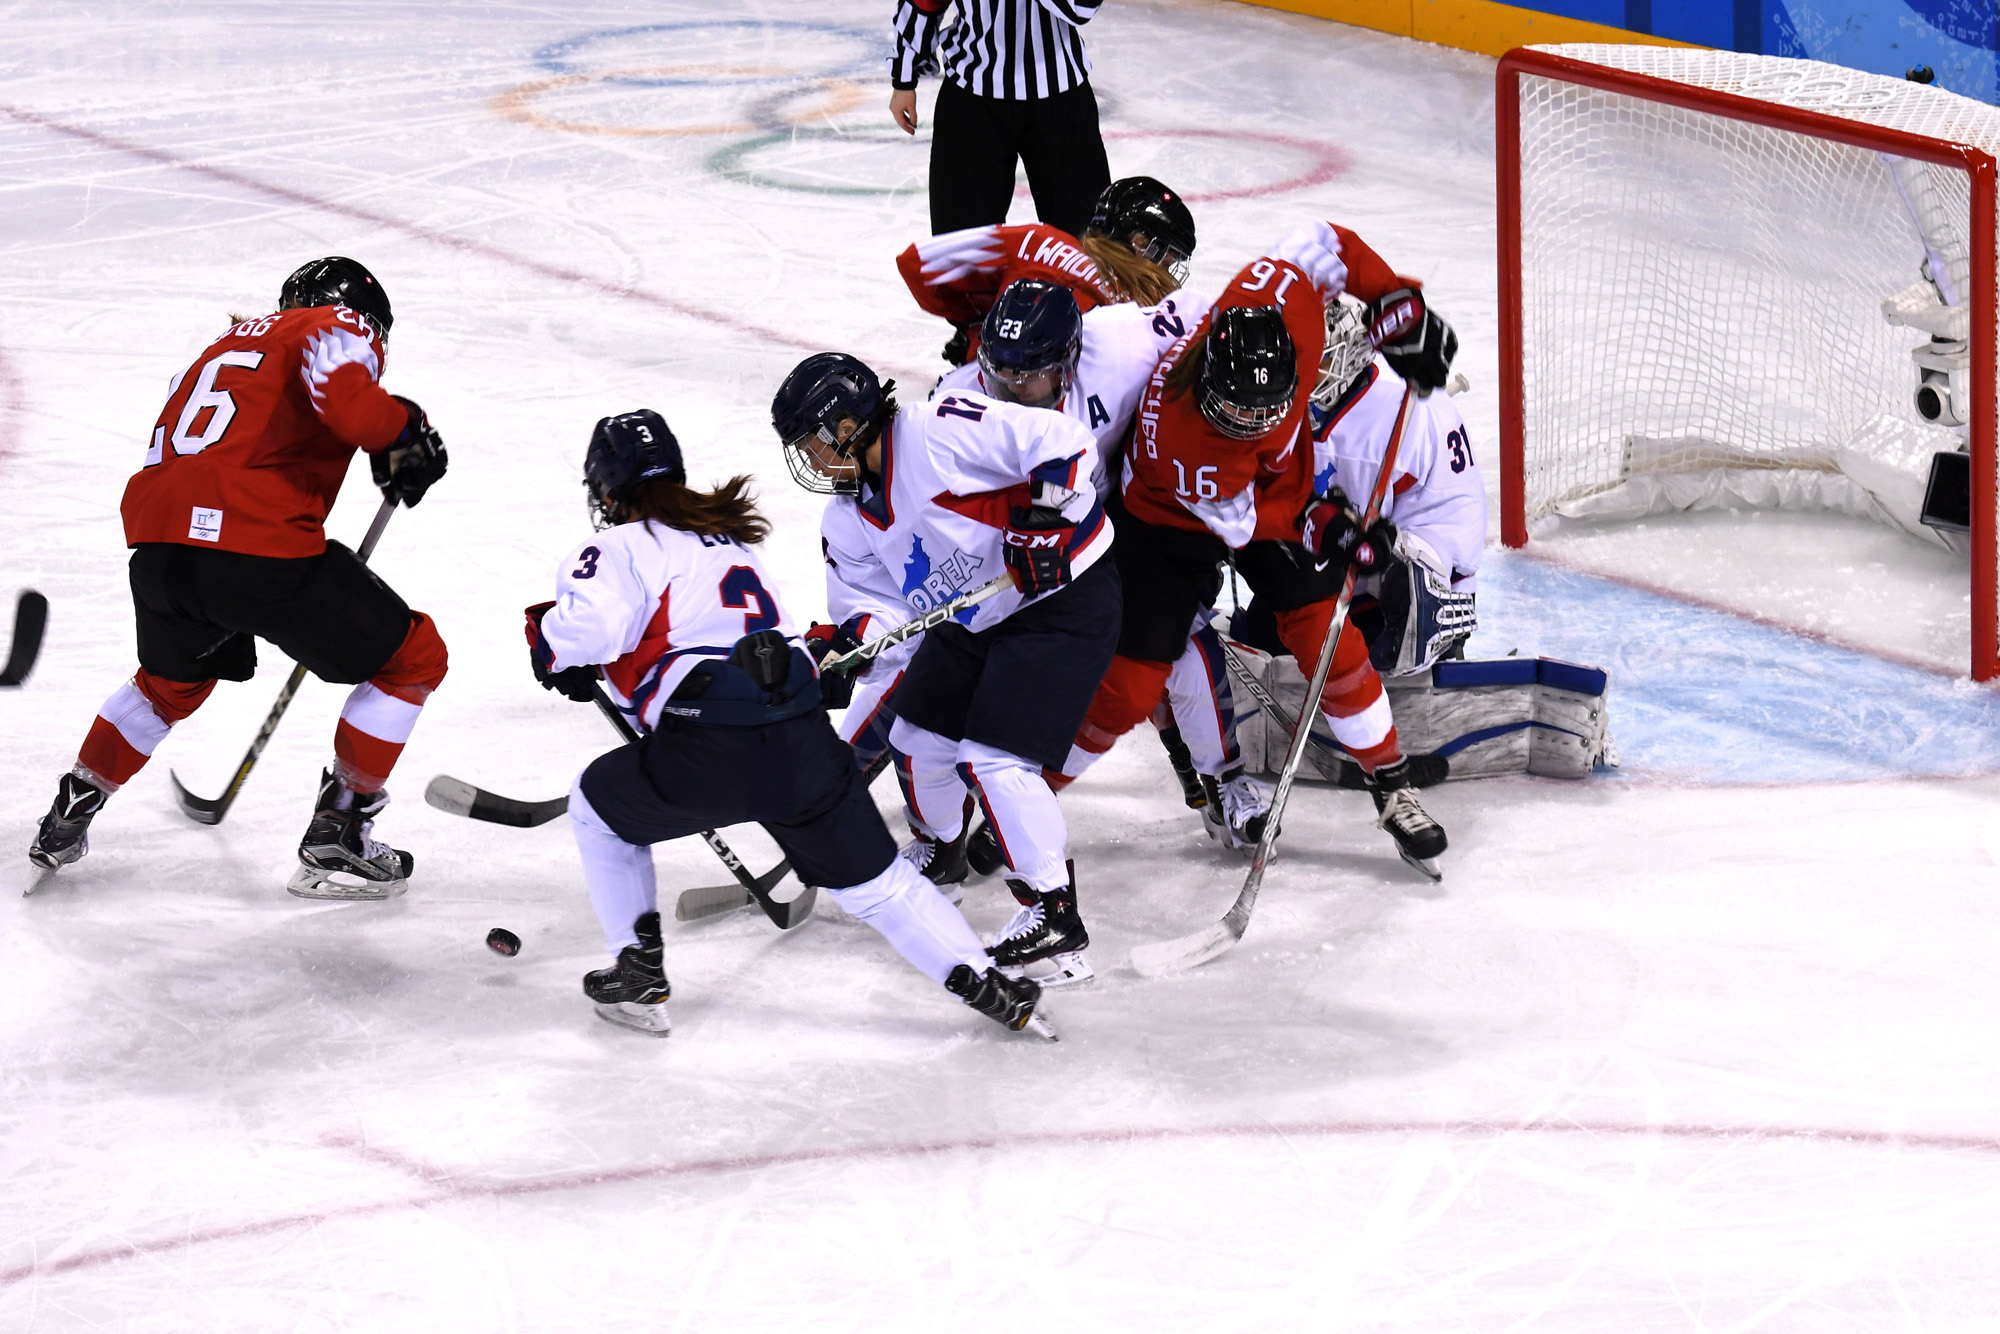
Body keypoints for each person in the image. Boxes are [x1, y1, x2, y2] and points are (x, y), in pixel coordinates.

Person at [526, 410, 1052, 1040]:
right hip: (800, 730)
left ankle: (638, 971)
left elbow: (593, 631)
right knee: (880, 886)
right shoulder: (725, 540)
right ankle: (990, 982)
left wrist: (550, 645)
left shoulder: (611, 547)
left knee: (595, 805)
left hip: (710, 740)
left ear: (606, 491)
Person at [28, 257, 450, 899]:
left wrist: (391, 441)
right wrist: (404, 432)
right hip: (255, 545)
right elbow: (353, 408)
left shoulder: (224, 345)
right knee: (413, 658)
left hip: (159, 550)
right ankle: (343, 832)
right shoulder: (335, 323)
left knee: (166, 688)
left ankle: (70, 810)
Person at [1061, 221, 1459, 875]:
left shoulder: (1280, 301)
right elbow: (1251, 526)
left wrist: (1397, 304)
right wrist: (1331, 525)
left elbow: (1326, 243)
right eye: (1237, 410)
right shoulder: (1194, 440)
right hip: (1164, 525)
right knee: (1130, 688)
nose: (1252, 422)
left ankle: (1390, 784)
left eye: (1267, 410)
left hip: (1269, 493)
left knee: (1327, 634)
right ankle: (1023, 790)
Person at [774, 352, 1117, 989]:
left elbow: (1063, 441)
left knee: (994, 759)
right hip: (977, 616)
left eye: (813, 444)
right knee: (916, 742)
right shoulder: (846, 519)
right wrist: (853, 648)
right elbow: (877, 607)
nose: (812, 462)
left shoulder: (936, 430)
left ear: (846, 427)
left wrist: (1045, 522)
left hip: (1060, 596)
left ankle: (1054, 914)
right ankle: (943, 854)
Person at [895, 175, 1196, 364]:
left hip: (977, 395)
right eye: (1167, 261)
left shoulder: (1037, 241)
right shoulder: (1142, 315)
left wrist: (975, 324)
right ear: (1140, 242)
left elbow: (915, 263)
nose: (1168, 275)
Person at [889, 0, 1112, 241]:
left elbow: (1081, 9)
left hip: (1061, 101)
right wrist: (904, 74)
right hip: (972, 97)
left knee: (1086, 243)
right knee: (962, 245)